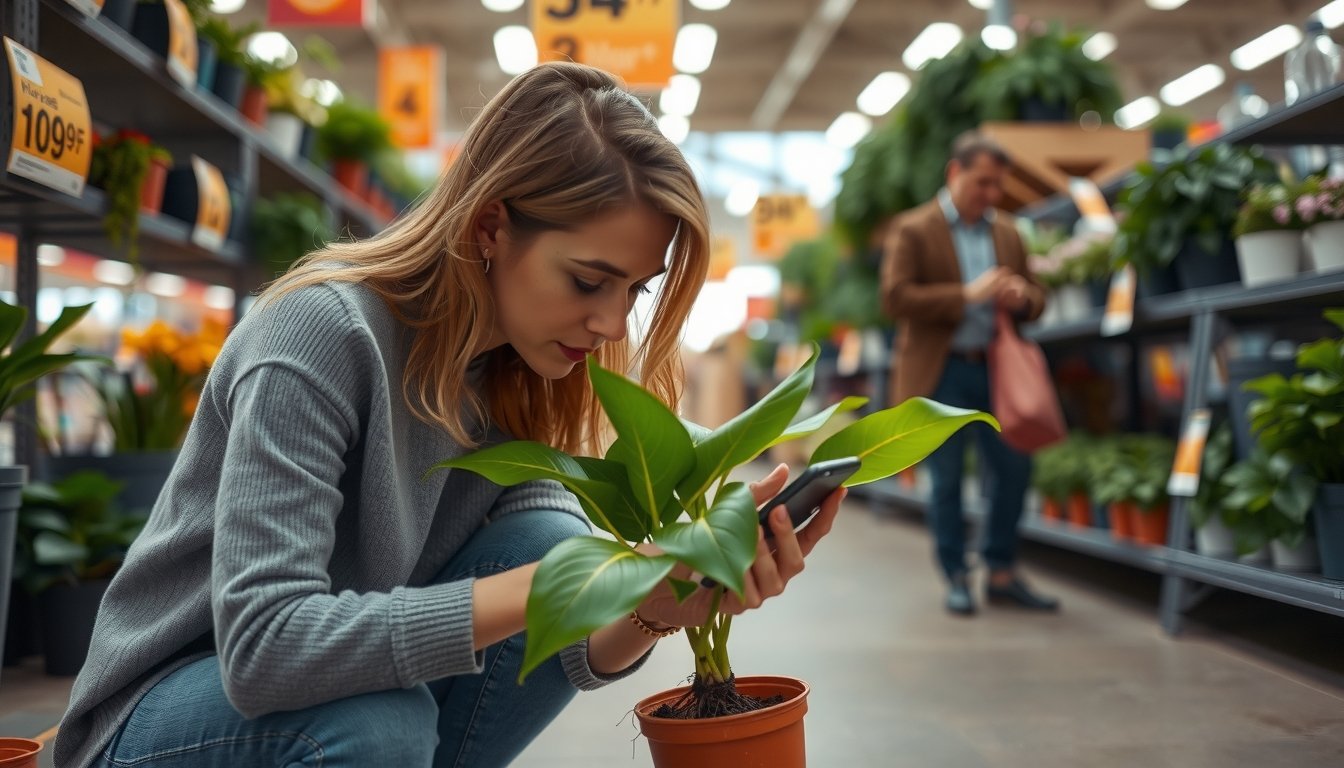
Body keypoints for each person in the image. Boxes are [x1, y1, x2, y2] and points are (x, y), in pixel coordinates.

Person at [54, 62, 844, 768]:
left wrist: (649, 604)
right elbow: (263, 649)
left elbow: (563, 647)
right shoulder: (322, 334)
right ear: (492, 226)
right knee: (386, 719)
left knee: (543, 541)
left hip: (332, 715)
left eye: (633, 291)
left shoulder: (527, 375)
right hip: (160, 723)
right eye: (587, 281)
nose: (611, 323)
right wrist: (570, 583)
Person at [879, 131, 1059, 617]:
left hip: (998, 371)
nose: (991, 195)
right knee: (948, 478)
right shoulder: (915, 228)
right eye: (983, 183)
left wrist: (1024, 298)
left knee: (1014, 469)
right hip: (941, 373)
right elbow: (895, 298)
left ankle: (1001, 572)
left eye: (998, 185)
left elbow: (1040, 299)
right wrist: (967, 294)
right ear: (954, 174)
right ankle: (956, 575)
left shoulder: (1008, 233)